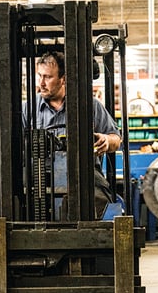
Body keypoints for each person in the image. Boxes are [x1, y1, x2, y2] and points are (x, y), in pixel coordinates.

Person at [22, 51, 122, 219]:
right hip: (39, 176)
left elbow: (116, 139)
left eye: (47, 77)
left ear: (63, 79)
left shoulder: (89, 105)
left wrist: (106, 140)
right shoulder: (27, 109)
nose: (41, 83)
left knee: (100, 200)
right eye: (39, 76)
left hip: (82, 174)